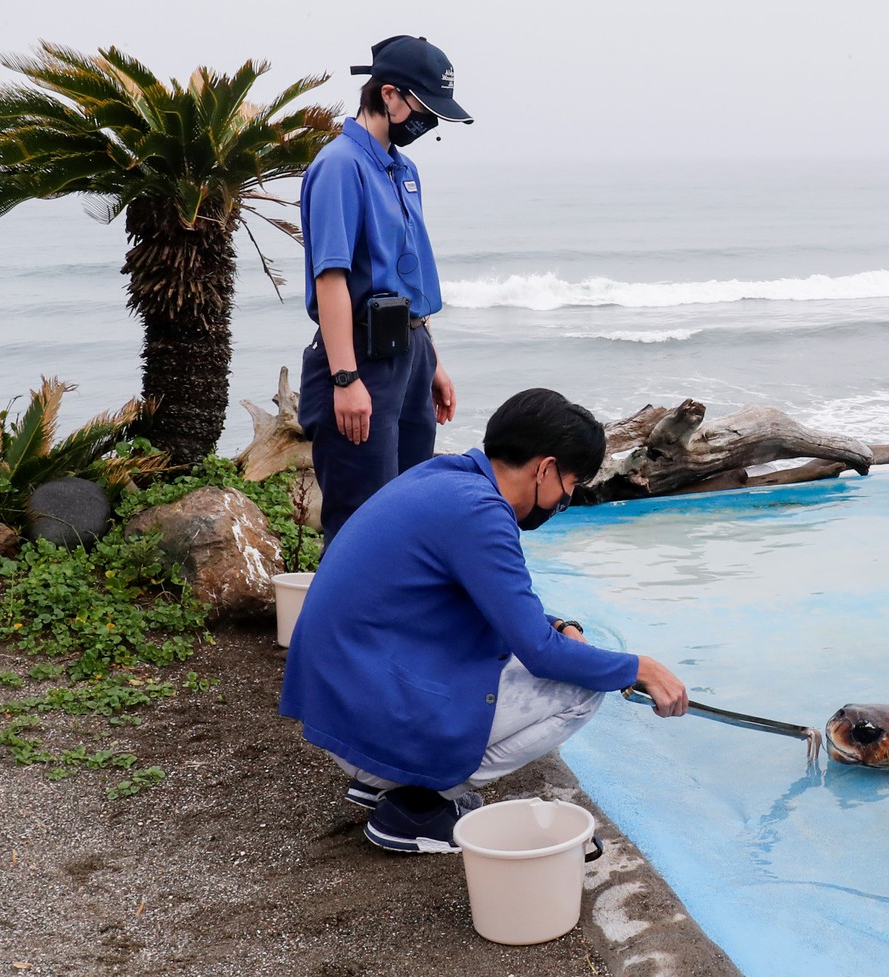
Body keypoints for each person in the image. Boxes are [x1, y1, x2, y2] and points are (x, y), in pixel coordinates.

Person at [280, 389, 691, 853]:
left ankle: (388, 779)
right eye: (572, 483)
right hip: (368, 715)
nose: (567, 498)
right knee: (581, 689)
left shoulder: (445, 479)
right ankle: (422, 803)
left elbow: (502, 607)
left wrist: (558, 626)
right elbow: (539, 653)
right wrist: (642, 668)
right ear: (545, 468)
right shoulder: (480, 513)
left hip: (344, 702)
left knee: (529, 654)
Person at [298, 35, 469, 542]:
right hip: (363, 358)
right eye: (422, 105)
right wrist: (345, 377)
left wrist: (431, 359)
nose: (429, 120)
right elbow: (330, 277)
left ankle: (397, 623)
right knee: (361, 524)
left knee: (409, 514)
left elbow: (409, 273)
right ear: (388, 95)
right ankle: (342, 623)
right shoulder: (339, 166)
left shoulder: (403, 169)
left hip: (410, 353)